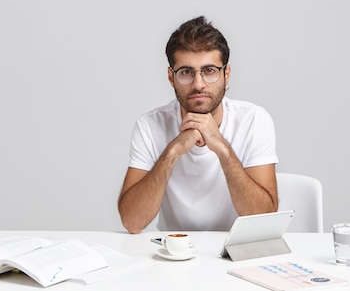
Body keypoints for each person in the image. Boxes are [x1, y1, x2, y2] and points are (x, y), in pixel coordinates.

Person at [118, 16, 279, 234]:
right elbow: (132, 222)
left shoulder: (254, 120)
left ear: (226, 74)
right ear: (170, 77)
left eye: (209, 71)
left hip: (236, 251)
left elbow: (263, 221)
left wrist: (221, 147)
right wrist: (173, 151)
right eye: (186, 72)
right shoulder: (150, 125)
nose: (198, 84)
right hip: (172, 253)